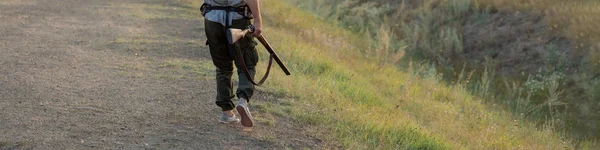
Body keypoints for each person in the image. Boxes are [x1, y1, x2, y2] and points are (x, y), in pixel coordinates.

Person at [201, 0, 263, 127]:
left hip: (212, 18)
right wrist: (257, 20)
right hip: (237, 18)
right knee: (247, 62)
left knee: (222, 66)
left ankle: (227, 113)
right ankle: (243, 100)